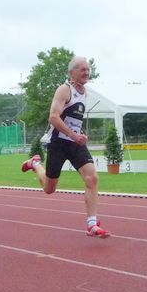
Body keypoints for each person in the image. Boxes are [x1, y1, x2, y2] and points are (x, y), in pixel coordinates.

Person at [20, 56, 110, 238]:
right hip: (58, 144)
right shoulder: (64, 90)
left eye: (88, 69)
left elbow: (73, 121)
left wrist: (80, 134)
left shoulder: (84, 92)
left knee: (92, 178)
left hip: (75, 144)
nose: (86, 72)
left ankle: (91, 224)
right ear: (71, 72)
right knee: (49, 189)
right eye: (82, 69)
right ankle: (35, 164)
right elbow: (53, 117)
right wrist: (74, 135)